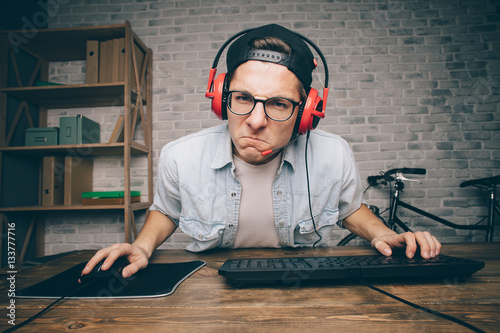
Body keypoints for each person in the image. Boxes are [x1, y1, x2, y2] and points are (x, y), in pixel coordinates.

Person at [81, 24, 441, 279]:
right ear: (221, 99)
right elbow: (167, 211)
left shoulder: (334, 154)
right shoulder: (180, 156)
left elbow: (350, 211)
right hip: (208, 283)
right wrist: (142, 247)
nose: (255, 121)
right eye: (242, 99)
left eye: (280, 104)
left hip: (309, 284)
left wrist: (381, 234)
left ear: (306, 114)